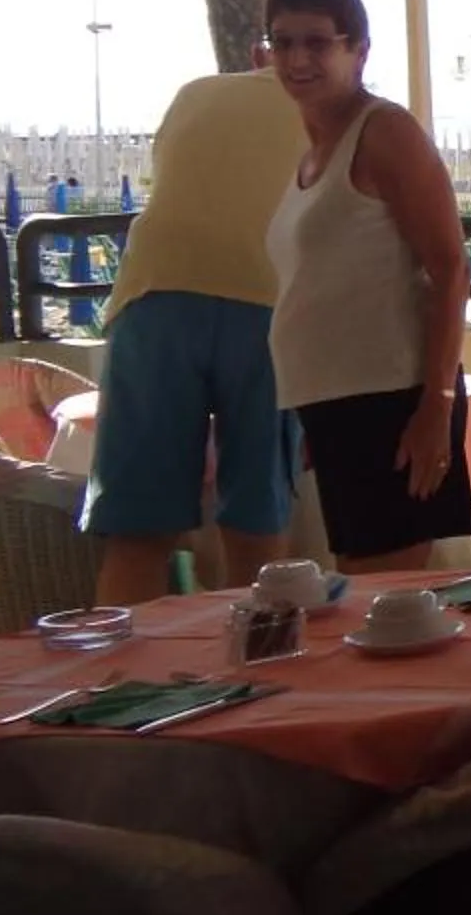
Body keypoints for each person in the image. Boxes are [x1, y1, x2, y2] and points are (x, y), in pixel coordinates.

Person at [263, 0, 471, 571]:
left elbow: (451, 268)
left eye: (317, 42)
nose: (297, 59)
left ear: (358, 50)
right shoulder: (314, 152)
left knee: (385, 599)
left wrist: (435, 406)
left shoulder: (384, 132)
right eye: (283, 42)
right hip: (339, 404)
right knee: (364, 594)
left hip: (393, 401)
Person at [83, 65, 310, 603]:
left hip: (154, 295)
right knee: (256, 528)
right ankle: (255, 654)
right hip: (266, 303)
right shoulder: (330, 107)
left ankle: (127, 657)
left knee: (139, 534)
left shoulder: (195, 93)